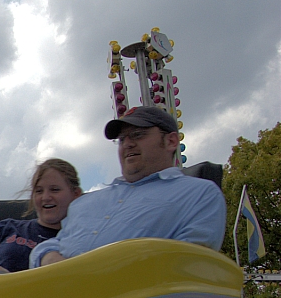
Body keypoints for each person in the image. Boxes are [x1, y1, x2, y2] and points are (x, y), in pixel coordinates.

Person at [30, 107, 225, 268]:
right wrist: (49, 257)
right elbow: (54, 243)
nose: (128, 144)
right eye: (122, 140)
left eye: (138, 135)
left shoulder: (200, 194)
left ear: (171, 141)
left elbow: (190, 265)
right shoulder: (85, 203)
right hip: (52, 296)